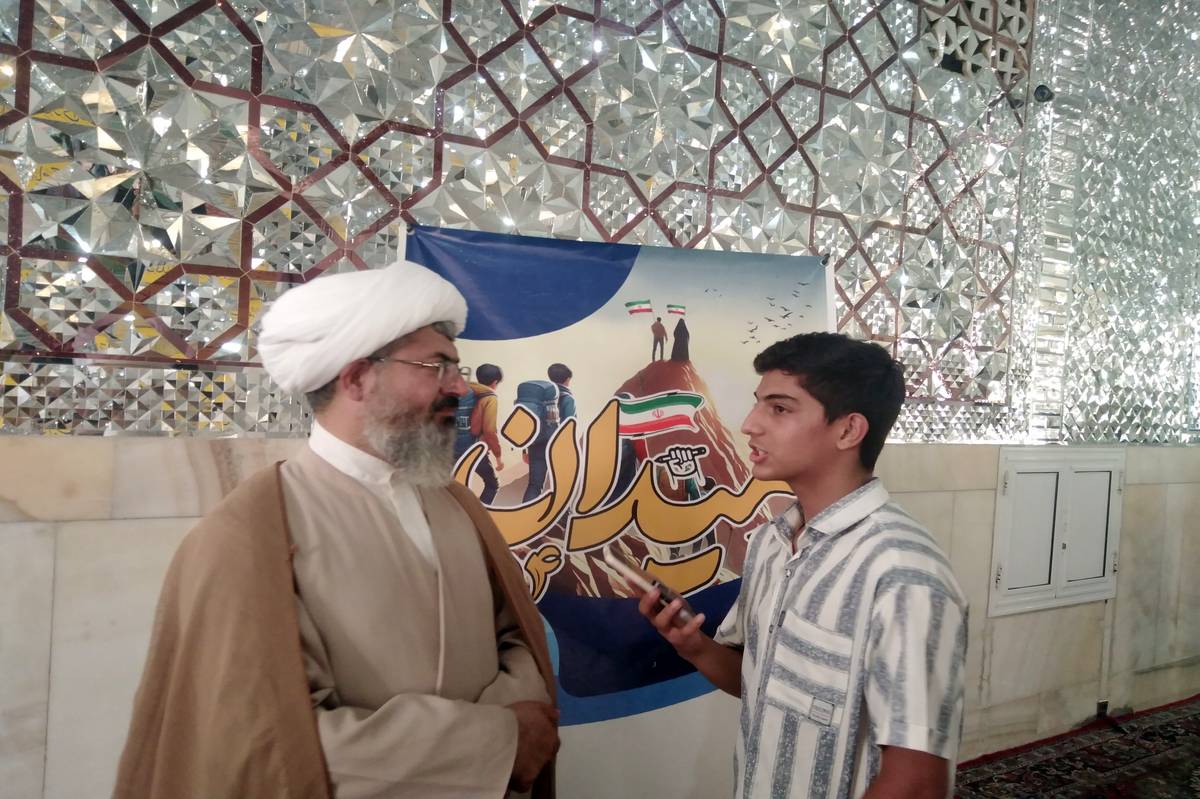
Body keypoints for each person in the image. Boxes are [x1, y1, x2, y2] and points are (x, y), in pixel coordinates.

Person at [115, 261, 559, 799]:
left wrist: (518, 728)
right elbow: (277, 746)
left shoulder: (456, 503)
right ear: (355, 379)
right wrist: (495, 743)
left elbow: (515, 638)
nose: (461, 388)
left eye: (456, 368)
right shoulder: (249, 536)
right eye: (437, 367)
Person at [637, 332, 967, 799]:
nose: (749, 425)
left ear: (848, 431)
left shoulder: (903, 574)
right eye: (758, 404)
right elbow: (759, 683)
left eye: (779, 408)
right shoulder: (771, 544)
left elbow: (917, 782)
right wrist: (695, 648)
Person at [522, 363, 576, 503]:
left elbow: (527, 424)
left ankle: (527, 513)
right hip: (558, 447)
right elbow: (570, 427)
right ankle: (563, 514)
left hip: (536, 444)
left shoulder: (540, 398)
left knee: (534, 485)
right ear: (567, 379)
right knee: (562, 485)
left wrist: (524, 450)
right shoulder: (568, 398)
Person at [456, 362, 504, 504]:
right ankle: (480, 514)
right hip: (471, 448)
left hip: (448, 446)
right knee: (492, 484)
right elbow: (489, 431)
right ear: (495, 382)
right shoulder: (489, 397)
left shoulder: (467, 390)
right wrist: (498, 457)